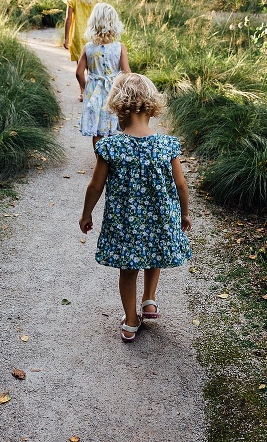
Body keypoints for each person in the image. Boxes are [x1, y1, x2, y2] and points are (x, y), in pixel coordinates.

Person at [79, 73, 192, 343]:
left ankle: (131, 321)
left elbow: (95, 186)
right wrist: (184, 213)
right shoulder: (167, 145)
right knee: (155, 255)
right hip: (159, 219)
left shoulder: (110, 146)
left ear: (118, 108)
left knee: (128, 271)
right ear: (152, 107)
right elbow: (181, 185)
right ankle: (149, 300)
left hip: (126, 223)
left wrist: (86, 214)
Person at [77, 3, 130, 148]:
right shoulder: (119, 47)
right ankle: (113, 160)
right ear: (114, 24)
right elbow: (126, 73)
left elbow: (79, 72)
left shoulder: (88, 47)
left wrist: (86, 88)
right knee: (114, 125)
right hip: (114, 91)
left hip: (94, 91)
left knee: (98, 130)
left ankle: (100, 160)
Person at [63, 0, 101, 64]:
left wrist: (66, 38)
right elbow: (99, 17)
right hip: (92, 34)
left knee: (80, 67)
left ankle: (82, 81)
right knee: (92, 68)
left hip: (78, 35)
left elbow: (68, 19)